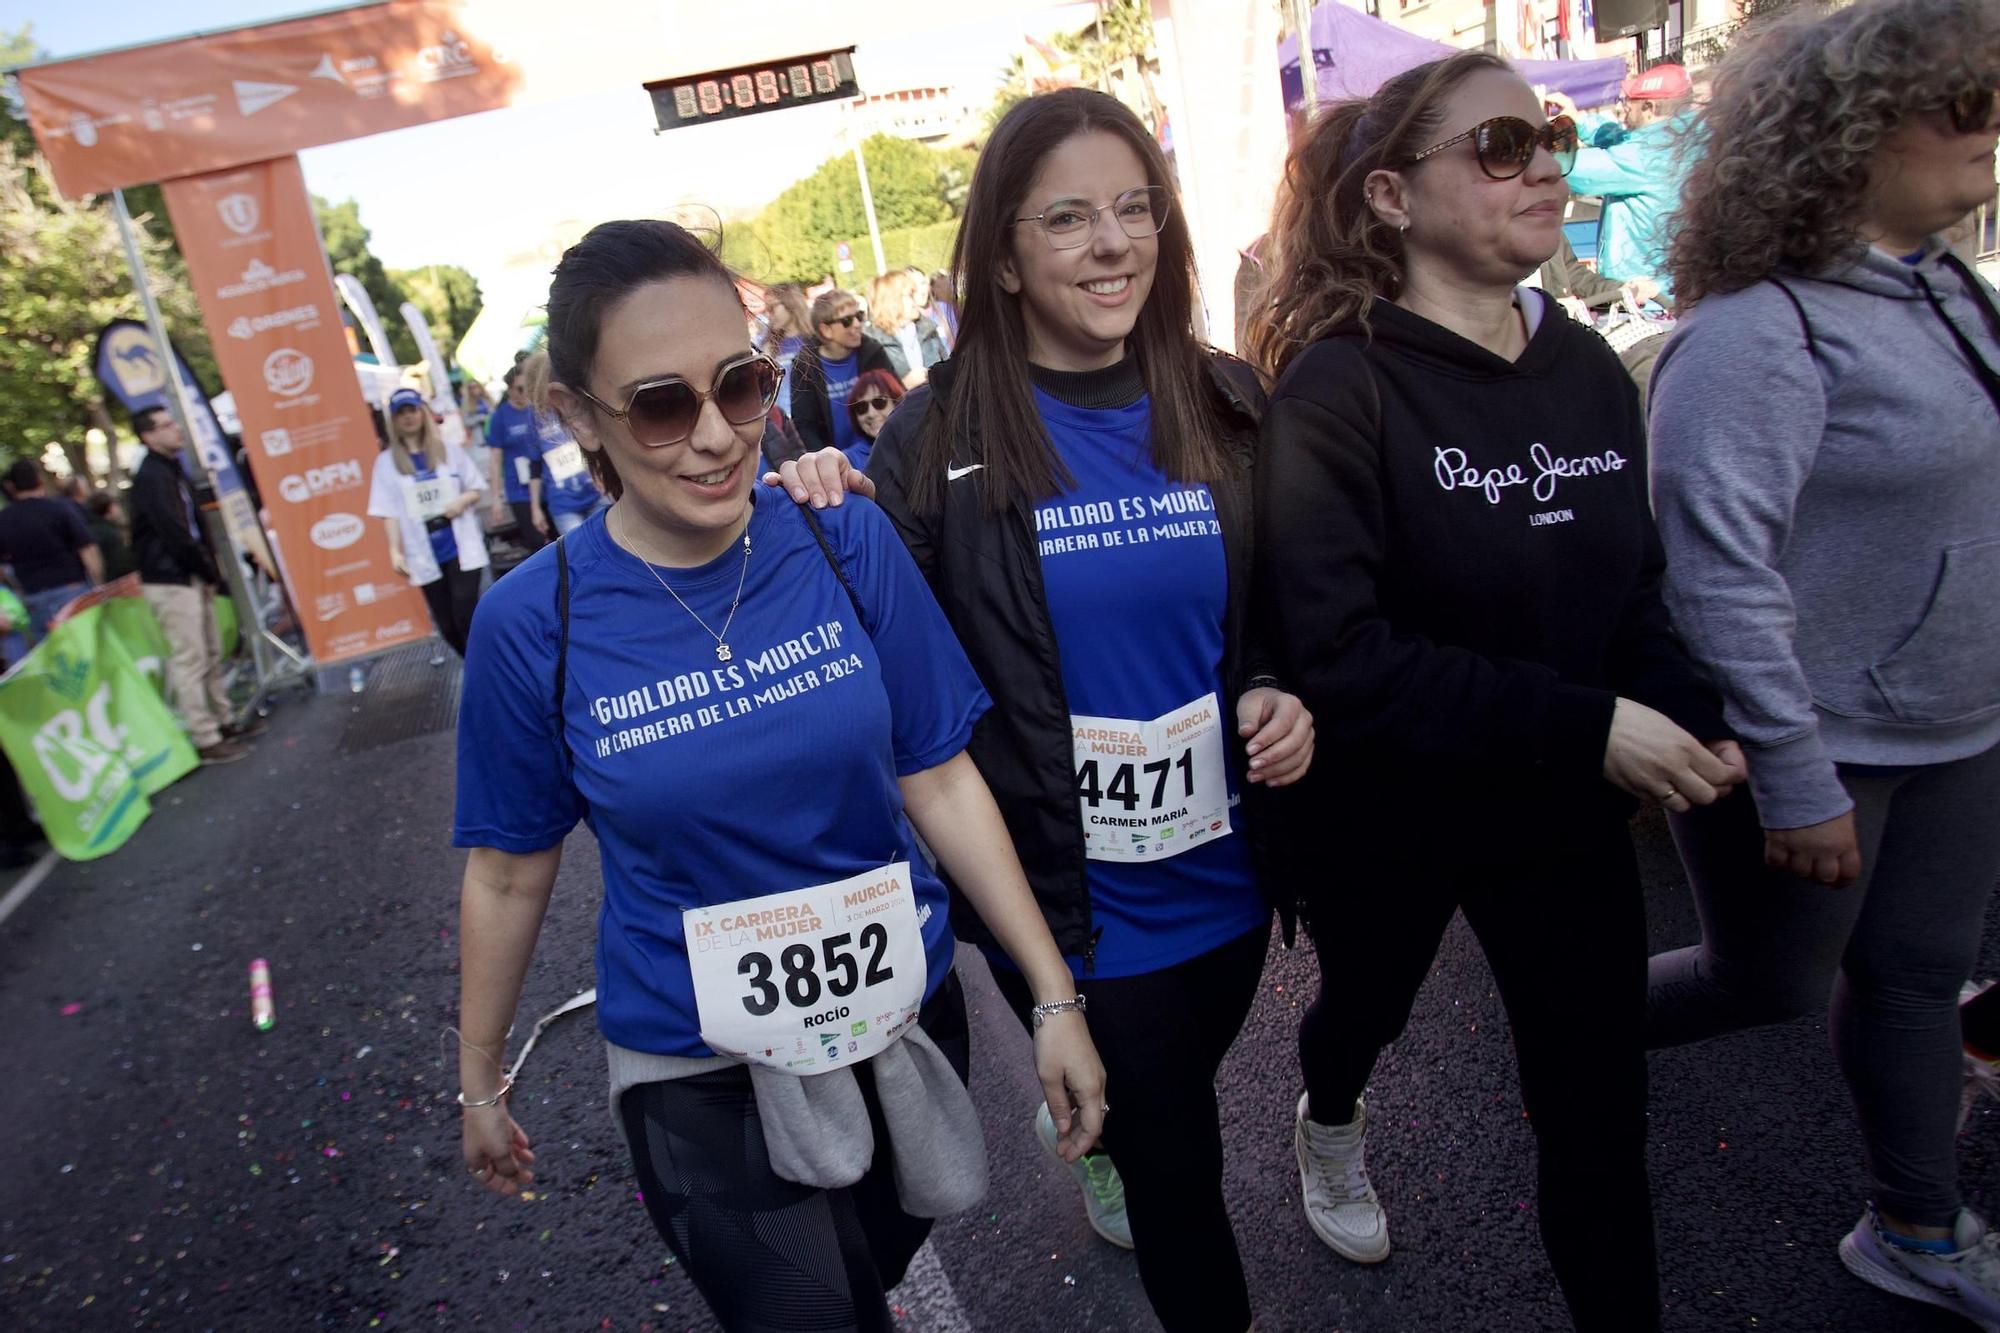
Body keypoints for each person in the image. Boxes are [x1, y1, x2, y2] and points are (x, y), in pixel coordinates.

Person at [452, 217, 1106, 1333]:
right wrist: (478, 1080)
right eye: (661, 404)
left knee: (869, 1274)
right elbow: (509, 875)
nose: (715, 437)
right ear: (576, 415)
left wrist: (1053, 997)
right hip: (691, 1062)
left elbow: (939, 779)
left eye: (742, 386)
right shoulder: (532, 622)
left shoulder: (839, 535)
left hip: (899, 1013)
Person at [775, 88, 1316, 1333]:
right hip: (1072, 905)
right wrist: (831, 512)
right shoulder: (934, 431)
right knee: (1184, 1165)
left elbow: (1286, 604)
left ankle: (1101, 1102)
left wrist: (1284, 685)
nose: (1112, 243)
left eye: (1134, 210)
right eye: (1066, 219)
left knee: (1178, 1089)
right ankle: (1106, 1100)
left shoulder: (1227, 400)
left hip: (1230, 876)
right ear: (1006, 257)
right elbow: (887, 661)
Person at [1244, 52, 1740, 1332]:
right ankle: (1330, 1114)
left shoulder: (1581, 370)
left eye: (1553, 137)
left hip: (1560, 820)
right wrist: (1590, 723)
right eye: (1502, 145)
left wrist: (1680, 711)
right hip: (1389, 812)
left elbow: (1634, 587)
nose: (1547, 169)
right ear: (1393, 198)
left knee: (1594, 1110)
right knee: (1363, 1010)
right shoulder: (1337, 386)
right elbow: (1342, 654)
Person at [1638, 0, 2000, 1321]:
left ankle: (1915, 1225)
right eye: (1955, 102)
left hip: (1957, 727)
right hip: (1831, 741)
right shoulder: (1756, 334)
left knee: (1909, 979)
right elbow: (1718, 573)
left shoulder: (1942, 285)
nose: (1987, 126)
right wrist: (1794, 778)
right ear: (1849, 138)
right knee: (1766, 980)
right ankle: (1566, 1031)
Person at [129, 407, 252, 765]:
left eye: (173, 422)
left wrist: (206, 572)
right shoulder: (153, 476)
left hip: (188, 574)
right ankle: (205, 735)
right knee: (192, 657)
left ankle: (224, 720)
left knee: (211, 651)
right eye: (166, 426)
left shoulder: (169, 470)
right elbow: (174, 531)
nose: (176, 430)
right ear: (147, 436)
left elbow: (188, 527)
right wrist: (205, 570)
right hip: (172, 578)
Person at [1544, 65, 1691, 294]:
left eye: (1626, 102)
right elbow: (1622, 139)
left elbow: (1564, 167)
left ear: (1649, 108)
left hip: (1644, 297)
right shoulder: (1686, 138)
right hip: (1677, 287)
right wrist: (1578, 122)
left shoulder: (1647, 154)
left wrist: (1537, 142)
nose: (1622, 109)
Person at [368, 387, 487, 658]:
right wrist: (394, 551)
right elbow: (388, 511)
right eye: (402, 413)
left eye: (412, 410)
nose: (408, 417)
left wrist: (460, 502)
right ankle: (474, 668)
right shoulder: (386, 464)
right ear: (394, 421)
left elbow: (475, 488)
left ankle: (487, 672)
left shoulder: (448, 451)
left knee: (465, 611)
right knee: (446, 624)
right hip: (424, 551)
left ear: (422, 413)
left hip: (459, 544)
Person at [0, 460, 102, 639]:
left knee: (57, 657)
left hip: (34, 598)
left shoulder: (4, 519)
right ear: (39, 480)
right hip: (72, 591)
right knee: (90, 645)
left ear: (11, 486)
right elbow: (88, 549)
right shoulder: (60, 509)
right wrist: (98, 584)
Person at [790, 289, 895, 457]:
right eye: (847, 320)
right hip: (838, 462)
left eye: (859, 316)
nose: (856, 324)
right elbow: (805, 424)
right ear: (825, 330)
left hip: (881, 451)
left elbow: (896, 397)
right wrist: (826, 459)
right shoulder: (805, 366)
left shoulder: (872, 351)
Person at [515, 351, 607, 536]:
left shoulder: (578, 403)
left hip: (596, 493)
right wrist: (535, 508)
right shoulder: (533, 417)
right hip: (563, 503)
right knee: (581, 558)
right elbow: (535, 465)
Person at [484, 367, 545, 553]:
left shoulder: (539, 409)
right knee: (538, 544)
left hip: (547, 485)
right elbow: (495, 461)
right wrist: (496, 498)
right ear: (509, 389)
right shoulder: (500, 418)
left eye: (528, 387)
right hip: (519, 490)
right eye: (520, 388)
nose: (525, 393)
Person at [865, 268, 948, 389]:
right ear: (891, 301)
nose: (916, 299)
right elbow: (871, 396)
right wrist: (903, 386)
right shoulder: (873, 343)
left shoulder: (929, 330)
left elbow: (948, 371)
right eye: (910, 295)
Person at [759, 282, 813, 419]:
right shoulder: (767, 345)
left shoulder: (813, 339)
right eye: (766, 310)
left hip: (812, 418)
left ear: (790, 303)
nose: (769, 315)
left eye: (772, 308)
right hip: (785, 420)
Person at [842, 368, 905, 473]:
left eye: (879, 402)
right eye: (862, 407)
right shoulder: (849, 461)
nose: (871, 414)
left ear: (896, 403)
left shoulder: (920, 442)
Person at [82, 492, 136, 583]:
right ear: (110, 508)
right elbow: (122, 563)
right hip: (118, 584)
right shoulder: (110, 533)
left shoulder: (89, 529)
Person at [926, 269, 959, 350]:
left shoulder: (956, 308)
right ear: (933, 289)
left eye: (950, 285)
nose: (949, 289)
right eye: (941, 287)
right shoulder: (935, 311)